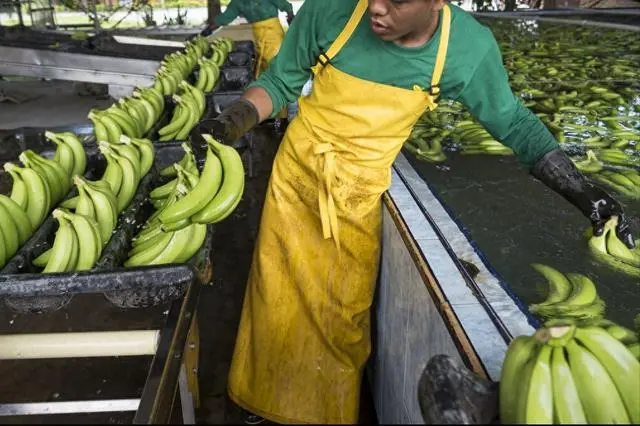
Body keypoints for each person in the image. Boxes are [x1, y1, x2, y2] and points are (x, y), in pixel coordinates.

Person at [194, 0, 636, 423]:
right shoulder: (330, 9)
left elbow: (515, 123)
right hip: (297, 179)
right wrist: (236, 118)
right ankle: (260, 398)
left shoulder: (465, 49)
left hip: (358, 196)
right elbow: (279, 83)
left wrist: (581, 190)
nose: (377, 8)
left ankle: (319, 413)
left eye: (399, 0)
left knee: (340, 320)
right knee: (275, 297)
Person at [200, 0, 295, 125]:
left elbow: (286, 6)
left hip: (274, 35)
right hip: (260, 38)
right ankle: (268, 112)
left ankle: (282, 116)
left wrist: (291, 19)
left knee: (277, 73)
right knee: (262, 75)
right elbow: (224, 18)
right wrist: (206, 31)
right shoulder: (238, 3)